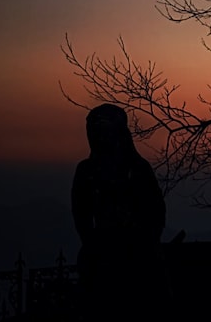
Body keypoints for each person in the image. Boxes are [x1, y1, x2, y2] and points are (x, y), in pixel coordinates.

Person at [71, 103, 167, 320]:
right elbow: (81, 215)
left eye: (105, 130)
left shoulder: (138, 169)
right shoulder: (87, 171)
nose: (100, 137)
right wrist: (95, 244)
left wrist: (142, 238)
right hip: (102, 260)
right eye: (95, 131)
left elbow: (156, 212)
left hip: (138, 260)